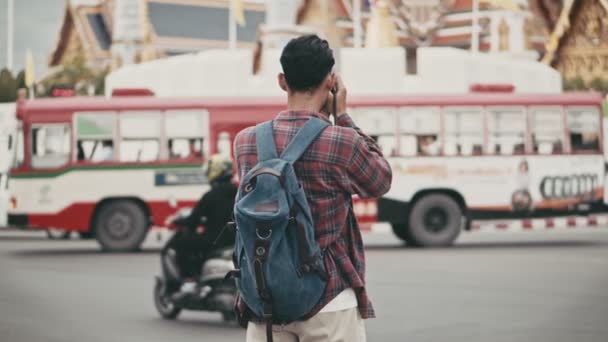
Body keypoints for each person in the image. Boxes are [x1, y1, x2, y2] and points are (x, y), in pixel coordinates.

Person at [233, 34, 392, 342]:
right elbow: (380, 180)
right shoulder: (341, 141)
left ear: (282, 81)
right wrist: (342, 116)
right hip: (328, 298)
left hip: (265, 298)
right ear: (330, 81)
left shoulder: (246, 141)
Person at [163, 154, 238, 282]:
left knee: (179, 243)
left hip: (214, 240)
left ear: (215, 171)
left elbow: (193, 221)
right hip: (235, 240)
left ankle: (189, 278)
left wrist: (175, 221)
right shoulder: (239, 192)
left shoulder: (211, 195)